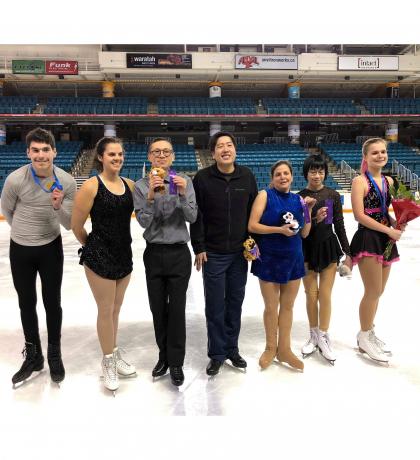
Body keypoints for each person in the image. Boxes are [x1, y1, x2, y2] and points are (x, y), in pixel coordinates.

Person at [1, 128, 76, 386]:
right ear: (28, 153)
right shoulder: (15, 179)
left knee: (52, 303)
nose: (41, 155)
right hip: (20, 248)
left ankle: (54, 352)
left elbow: (68, 224)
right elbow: (7, 211)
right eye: (35, 150)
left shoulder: (66, 182)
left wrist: (57, 206)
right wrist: (24, 232)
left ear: (54, 151)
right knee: (26, 303)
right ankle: (33, 355)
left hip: (50, 247)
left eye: (46, 149)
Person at [71, 137, 136, 394]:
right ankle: (107, 361)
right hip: (99, 255)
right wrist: (92, 248)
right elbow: (77, 226)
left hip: (124, 253)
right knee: (105, 309)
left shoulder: (129, 184)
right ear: (100, 157)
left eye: (120, 154)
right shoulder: (90, 186)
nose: (117, 158)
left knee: (116, 310)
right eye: (112, 154)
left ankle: (114, 351)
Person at [191, 131, 258, 376]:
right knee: (215, 305)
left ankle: (232, 349)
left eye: (229, 145)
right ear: (213, 153)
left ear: (235, 150)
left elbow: (254, 213)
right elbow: (196, 216)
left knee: (234, 304)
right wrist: (199, 246)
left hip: (240, 254)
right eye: (220, 146)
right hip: (214, 254)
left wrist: (253, 243)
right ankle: (217, 353)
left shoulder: (247, 177)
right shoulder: (202, 178)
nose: (225, 149)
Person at [133, 138, 197, 387]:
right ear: (150, 157)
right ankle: (164, 357)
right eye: (156, 152)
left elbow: (192, 216)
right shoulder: (140, 186)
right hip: (154, 253)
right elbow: (143, 222)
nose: (161, 156)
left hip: (179, 253)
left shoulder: (184, 182)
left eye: (166, 152)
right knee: (158, 310)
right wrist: (150, 196)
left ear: (172, 157)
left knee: (177, 311)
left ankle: (177, 362)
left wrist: (181, 194)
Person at [248, 160, 316, 371]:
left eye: (286, 173)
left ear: (292, 176)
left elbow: (304, 233)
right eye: (278, 174)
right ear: (272, 177)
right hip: (269, 258)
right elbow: (252, 225)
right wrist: (279, 230)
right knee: (271, 306)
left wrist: (309, 212)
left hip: (293, 258)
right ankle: (270, 348)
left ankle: (284, 349)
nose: (283, 177)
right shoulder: (265, 195)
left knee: (288, 306)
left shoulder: (299, 200)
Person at [350, 137, 404, 363]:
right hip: (369, 238)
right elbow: (359, 215)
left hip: (385, 238)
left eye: (383, 152)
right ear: (366, 157)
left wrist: (396, 221)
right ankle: (363, 336)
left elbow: (384, 210)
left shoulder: (389, 181)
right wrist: (388, 230)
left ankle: (369, 331)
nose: (380, 155)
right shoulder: (359, 181)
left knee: (379, 291)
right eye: (375, 153)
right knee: (372, 291)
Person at [298, 155, 352, 364]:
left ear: (325, 174)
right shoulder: (300, 197)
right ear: (306, 173)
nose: (317, 175)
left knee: (325, 295)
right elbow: (300, 230)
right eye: (313, 171)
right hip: (307, 249)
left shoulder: (332, 195)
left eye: (320, 171)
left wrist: (348, 253)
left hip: (328, 247)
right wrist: (312, 217)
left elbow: (339, 225)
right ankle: (313, 334)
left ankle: (324, 334)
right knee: (311, 294)